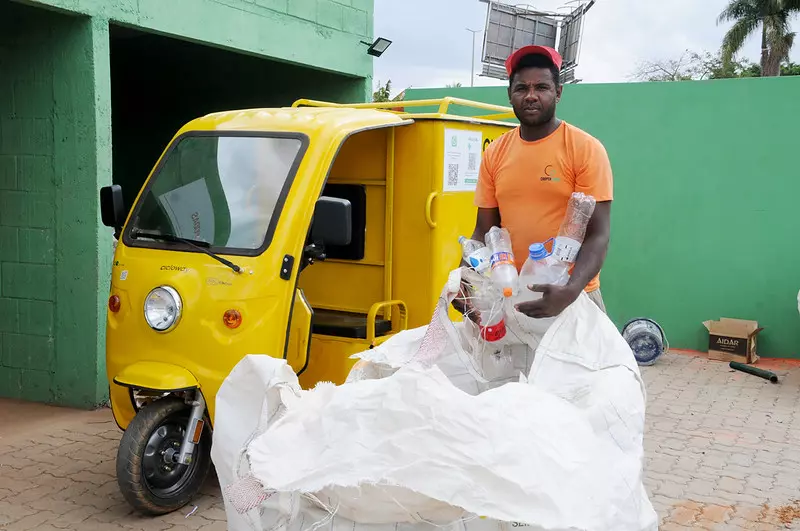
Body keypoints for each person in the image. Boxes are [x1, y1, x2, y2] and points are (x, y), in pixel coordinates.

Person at [453, 45, 613, 320]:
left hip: (573, 298)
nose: (530, 96)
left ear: (558, 93)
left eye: (541, 87)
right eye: (521, 88)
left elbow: (598, 233)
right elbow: (484, 229)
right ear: (509, 95)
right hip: (511, 294)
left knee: (578, 365)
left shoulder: (584, 148)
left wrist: (571, 290)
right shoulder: (495, 152)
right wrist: (464, 280)